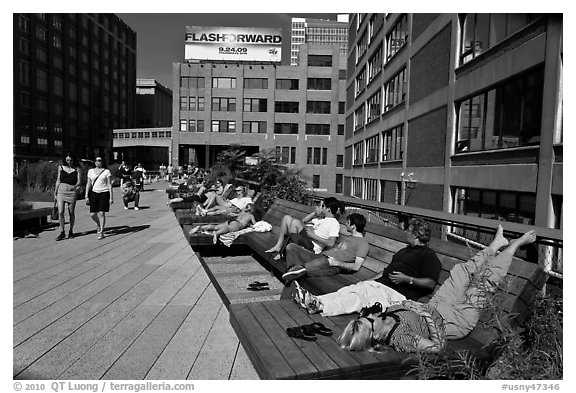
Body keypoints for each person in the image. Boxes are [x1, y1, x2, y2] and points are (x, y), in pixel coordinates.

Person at [337, 227, 537, 353]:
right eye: (371, 320)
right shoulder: (399, 338)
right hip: (456, 320)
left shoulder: (383, 317)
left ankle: (495, 245)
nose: (374, 316)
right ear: (376, 336)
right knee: (483, 284)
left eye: (366, 316)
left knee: (461, 271)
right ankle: (516, 244)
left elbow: (406, 309)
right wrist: (428, 316)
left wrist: (408, 304)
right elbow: (437, 346)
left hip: (438, 305)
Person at [292, 218, 442, 316]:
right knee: (351, 289)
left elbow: (430, 283)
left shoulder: (428, 255)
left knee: (358, 299)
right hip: (380, 286)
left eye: (408, 230)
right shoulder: (404, 250)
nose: (406, 232)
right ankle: (315, 300)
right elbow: (385, 271)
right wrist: (367, 281)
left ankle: (320, 305)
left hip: (397, 294)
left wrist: (407, 279)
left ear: (416, 235)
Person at [282, 213, 370, 283]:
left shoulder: (363, 244)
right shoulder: (349, 238)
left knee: (309, 267)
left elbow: (356, 266)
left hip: (331, 264)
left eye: (348, 223)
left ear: (353, 226)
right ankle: (294, 270)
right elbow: (337, 250)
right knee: (291, 247)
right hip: (320, 256)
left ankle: (296, 271)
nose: (346, 224)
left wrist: (337, 263)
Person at [264, 197, 344, 260]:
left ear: (328, 209)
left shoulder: (334, 223)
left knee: (295, 223)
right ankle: (279, 246)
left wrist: (313, 236)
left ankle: (286, 253)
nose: (320, 207)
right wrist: (314, 214)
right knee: (287, 218)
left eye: (322, 206)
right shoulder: (321, 219)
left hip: (312, 247)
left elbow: (331, 243)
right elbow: (302, 221)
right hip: (306, 240)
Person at [189, 204, 257, 244]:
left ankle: (200, 227)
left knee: (216, 226)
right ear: (252, 210)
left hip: (232, 220)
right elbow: (255, 225)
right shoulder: (251, 216)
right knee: (228, 229)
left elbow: (236, 213)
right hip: (237, 224)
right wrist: (250, 225)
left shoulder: (242, 212)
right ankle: (217, 233)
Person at [54, 154, 81, 240]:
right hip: (61, 190)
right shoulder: (61, 167)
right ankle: (62, 231)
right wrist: (55, 192)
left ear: (73, 160)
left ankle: (71, 230)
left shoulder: (77, 169)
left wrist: (75, 187)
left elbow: (79, 181)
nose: (69, 162)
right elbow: (58, 180)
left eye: (70, 160)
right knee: (61, 211)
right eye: (67, 160)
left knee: (71, 212)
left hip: (71, 191)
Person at [85, 156, 113, 240]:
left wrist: (111, 197)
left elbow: (109, 185)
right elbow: (88, 184)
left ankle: (101, 232)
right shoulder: (90, 171)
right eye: (96, 160)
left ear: (102, 162)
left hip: (104, 193)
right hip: (94, 193)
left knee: (101, 213)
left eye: (99, 160)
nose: (97, 162)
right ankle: (98, 224)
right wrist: (86, 195)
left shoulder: (106, 171)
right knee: (93, 214)